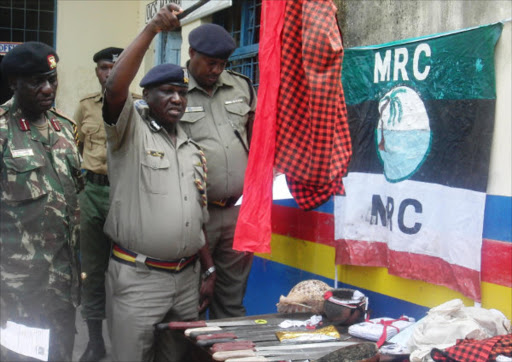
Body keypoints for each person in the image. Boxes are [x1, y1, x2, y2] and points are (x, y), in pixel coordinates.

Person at [102, 4, 215, 361]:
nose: (177, 99)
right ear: (146, 97)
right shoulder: (129, 134)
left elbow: (196, 216)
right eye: (166, 92)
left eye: (181, 93)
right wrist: (151, 28)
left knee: (178, 358)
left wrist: (208, 267)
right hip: (138, 280)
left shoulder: (192, 148)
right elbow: (116, 89)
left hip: (185, 281)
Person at [0, 41, 82, 361]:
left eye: (52, 78)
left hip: (62, 287)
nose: (48, 88)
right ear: (13, 84)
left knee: (60, 355)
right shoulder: (3, 131)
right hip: (17, 291)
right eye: (37, 82)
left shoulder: (64, 128)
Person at [181, 23, 257, 319]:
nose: (216, 70)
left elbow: (256, 140)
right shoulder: (173, 89)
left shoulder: (241, 87)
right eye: (211, 63)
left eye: (222, 64)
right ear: (191, 54)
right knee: (192, 301)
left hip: (237, 213)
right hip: (195, 216)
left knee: (232, 301)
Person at [74, 46, 123, 362]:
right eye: (105, 67)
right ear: (97, 71)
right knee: (92, 271)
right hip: (92, 192)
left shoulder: (139, 104)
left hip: (126, 194)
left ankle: (127, 339)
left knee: (127, 272)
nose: (110, 73)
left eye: (115, 67)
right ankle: (95, 342)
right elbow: (77, 145)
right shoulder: (85, 107)